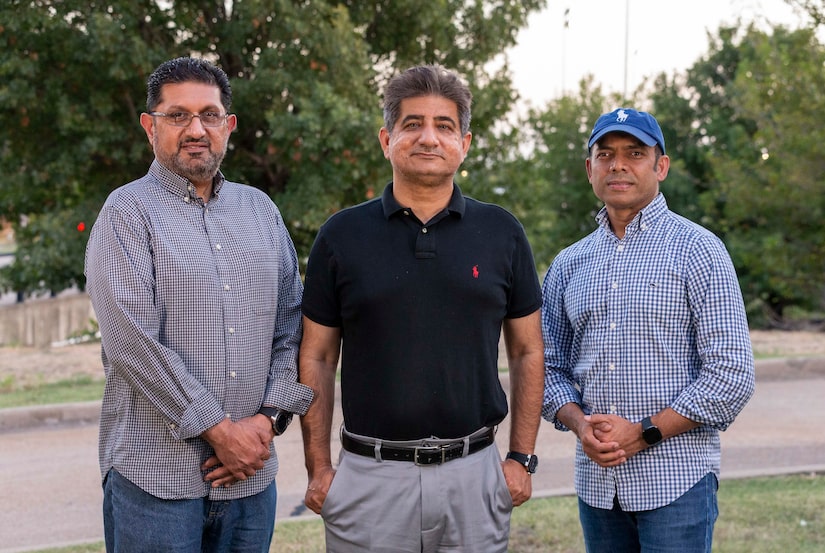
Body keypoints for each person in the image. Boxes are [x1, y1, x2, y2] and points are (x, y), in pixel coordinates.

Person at [298, 64, 545, 552]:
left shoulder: (502, 233)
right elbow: (317, 356)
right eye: (412, 124)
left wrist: (521, 457)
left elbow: (527, 351)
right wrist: (319, 468)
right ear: (387, 139)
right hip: (369, 480)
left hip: (474, 476)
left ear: (465, 143)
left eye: (444, 125)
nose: (428, 137)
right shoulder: (341, 236)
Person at [84, 56, 313, 553]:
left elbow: (290, 323)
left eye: (209, 115)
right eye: (178, 115)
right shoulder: (126, 213)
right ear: (150, 127)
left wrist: (267, 419)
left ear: (228, 125)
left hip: (250, 484)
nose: (196, 129)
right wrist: (219, 430)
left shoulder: (260, 212)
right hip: (155, 482)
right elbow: (132, 343)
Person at [541, 108, 756, 552]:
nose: (618, 164)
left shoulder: (699, 250)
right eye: (606, 154)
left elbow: (732, 373)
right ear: (590, 169)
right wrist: (580, 425)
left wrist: (643, 432)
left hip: (677, 482)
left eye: (635, 153)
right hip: (598, 485)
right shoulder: (568, 264)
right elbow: (547, 367)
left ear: (661, 166)